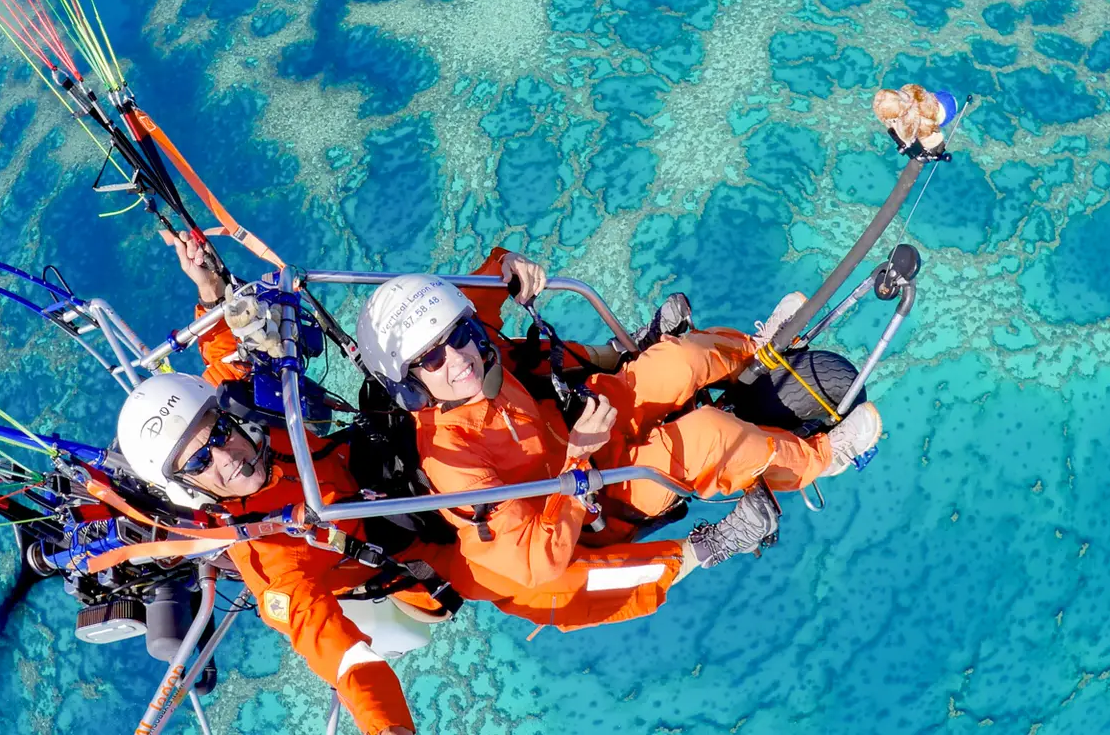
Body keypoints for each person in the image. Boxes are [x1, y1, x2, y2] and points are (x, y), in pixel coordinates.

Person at [113, 233, 694, 735]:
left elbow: (226, 366)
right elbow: (343, 661)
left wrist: (212, 291)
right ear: (190, 488)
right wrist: (389, 727)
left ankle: (622, 360)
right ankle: (692, 554)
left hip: (395, 464)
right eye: (200, 462)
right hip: (417, 557)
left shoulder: (254, 424)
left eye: (218, 432)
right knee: (528, 578)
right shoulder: (276, 568)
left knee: (464, 363)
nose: (226, 453)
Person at [353, 247, 883, 600]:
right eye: (431, 358)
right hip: (596, 496)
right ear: (411, 381)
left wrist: (507, 264)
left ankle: (759, 351)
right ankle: (821, 460)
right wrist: (579, 457)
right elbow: (537, 562)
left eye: (457, 335)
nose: (457, 358)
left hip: (581, 421)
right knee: (710, 438)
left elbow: (485, 290)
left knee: (680, 362)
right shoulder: (454, 464)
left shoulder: (473, 353)